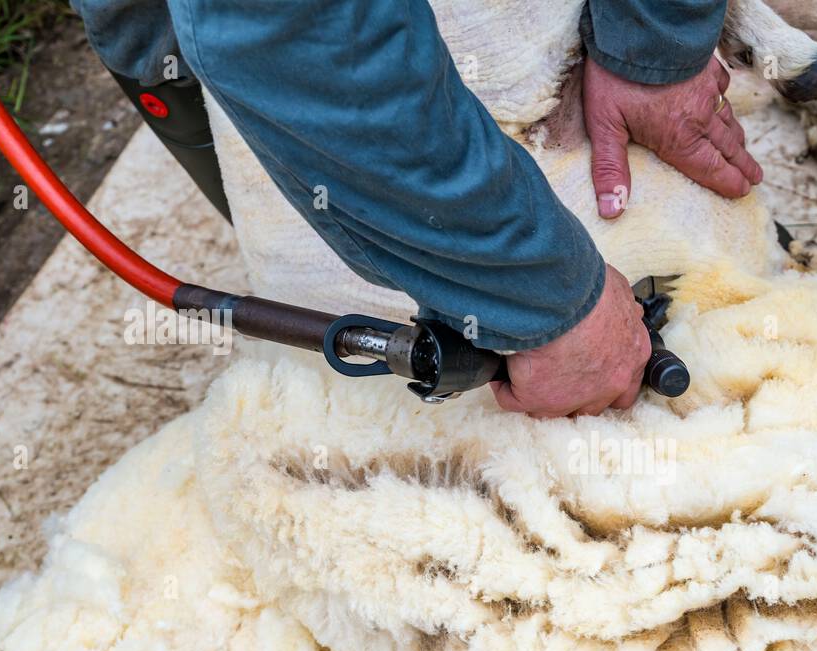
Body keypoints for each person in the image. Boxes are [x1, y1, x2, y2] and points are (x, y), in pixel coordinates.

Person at [70, 0, 763, 417]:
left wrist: (656, 43)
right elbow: (286, 25)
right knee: (231, 63)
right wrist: (536, 294)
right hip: (263, 26)